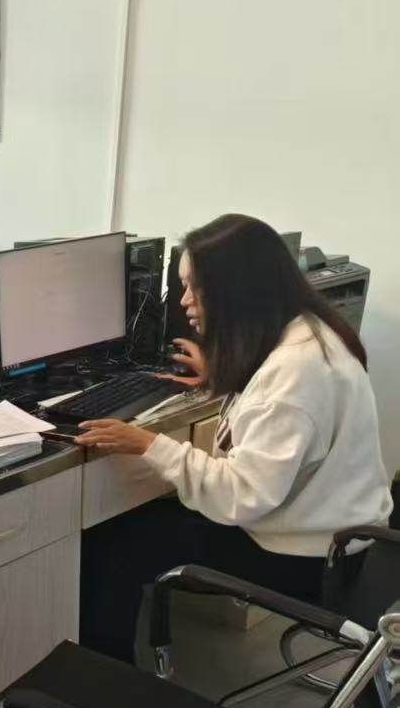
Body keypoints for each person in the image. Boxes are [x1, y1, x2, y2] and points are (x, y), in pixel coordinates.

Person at [75, 214, 392, 662]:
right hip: (340, 541)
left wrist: (149, 444)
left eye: (195, 287)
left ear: (237, 291)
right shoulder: (310, 332)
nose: (184, 301)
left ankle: (105, 679)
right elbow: (276, 422)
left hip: (305, 560)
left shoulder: (295, 375)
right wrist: (228, 377)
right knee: (141, 522)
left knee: (112, 547)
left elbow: (242, 496)